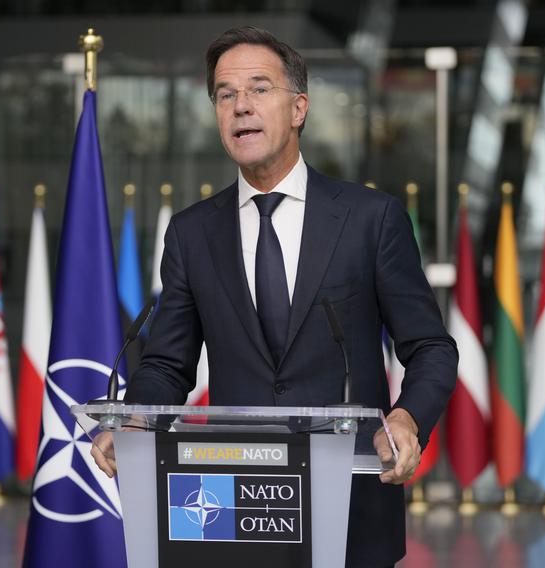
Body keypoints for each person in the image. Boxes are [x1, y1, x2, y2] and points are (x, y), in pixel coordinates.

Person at [93, 26, 458, 567]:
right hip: (232, 507)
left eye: (259, 89)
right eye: (225, 94)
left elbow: (431, 347)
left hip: (350, 505)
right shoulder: (192, 234)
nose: (240, 106)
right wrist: (135, 418)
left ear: (298, 108)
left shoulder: (369, 219)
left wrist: (407, 417)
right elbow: (169, 364)